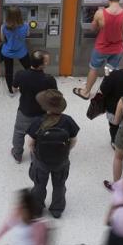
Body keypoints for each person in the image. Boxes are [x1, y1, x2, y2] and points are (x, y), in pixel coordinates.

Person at [74, 0, 123, 99]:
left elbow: (93, 29)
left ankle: (86, 92)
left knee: (94, 68)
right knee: (110, 70)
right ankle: (108, 93)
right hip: (117, 49)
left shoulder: (100, 13)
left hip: (101, 47)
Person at [27, 89, 79, 219]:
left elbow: (30, 143)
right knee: (59, 185)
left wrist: (35, 154)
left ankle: (37, 208)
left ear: (45, 106)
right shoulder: (68, 121)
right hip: (61, 161)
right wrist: (66, 151)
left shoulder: (38, 121)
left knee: (39, 185)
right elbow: (73, 140)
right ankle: (57, 209)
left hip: (41, 161)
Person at [11, 50, 57, 163]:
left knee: (19, 133)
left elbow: (13, 89)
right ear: (43, 64)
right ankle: (35, 156)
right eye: (47, 60)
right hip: (41, 114)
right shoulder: (49, 79)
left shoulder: (20, 74)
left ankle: (17, 155)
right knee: (38, 135)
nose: (48, 62)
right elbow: (54, 97)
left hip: (24, 111)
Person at [0, 6, 30, 95]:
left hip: (7, 52)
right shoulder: (26, 25)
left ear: (8, 15)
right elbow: (27, 35)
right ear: (20, 15)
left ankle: (11, 90)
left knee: (9, 72)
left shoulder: (3, 26)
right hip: (21, 52)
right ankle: (28, 85)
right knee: (29, 68)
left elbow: (2, 39)